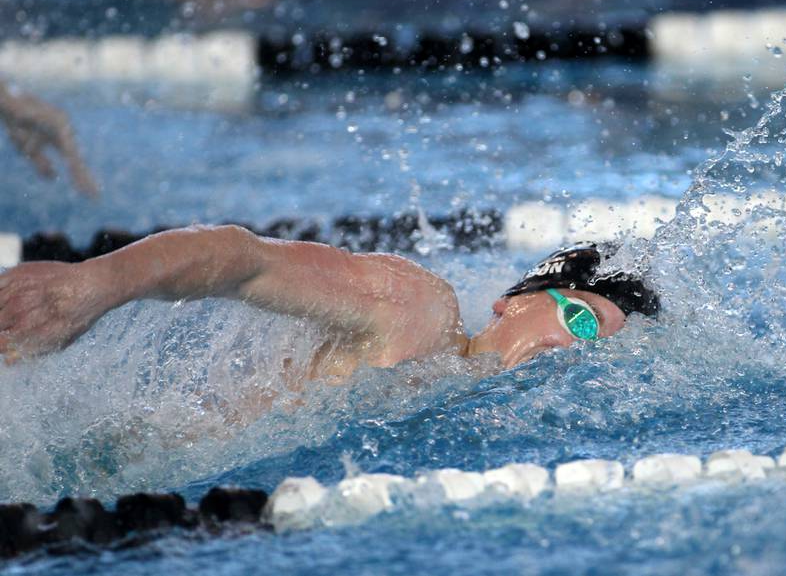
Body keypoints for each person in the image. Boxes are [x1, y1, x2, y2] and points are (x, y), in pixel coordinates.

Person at [0, 226, 658, 375]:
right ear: (513, 303)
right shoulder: (418, 312)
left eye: (598, 348)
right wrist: (90, 287)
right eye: (581, 318)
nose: (578, 348)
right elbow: (244, 259)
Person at [0, 81, 99, 197]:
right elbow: (13, 129)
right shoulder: (11, 113)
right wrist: (35, 157)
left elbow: (60, 120)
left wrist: (76, 167)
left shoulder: (16, 109)